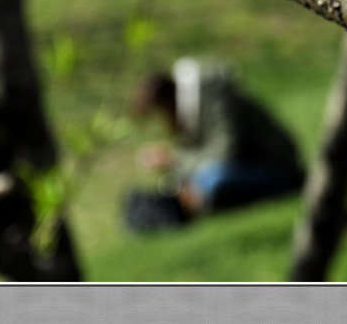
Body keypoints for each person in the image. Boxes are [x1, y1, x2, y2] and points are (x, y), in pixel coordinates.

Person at [123, 57, 304, 231]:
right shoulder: (191, 111)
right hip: (242, 167)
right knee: (188, 183)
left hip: (275, 167)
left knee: (213, 181)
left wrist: (174, 160)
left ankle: (191, 209)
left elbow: (225, 153)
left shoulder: (212, 100)